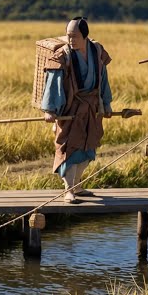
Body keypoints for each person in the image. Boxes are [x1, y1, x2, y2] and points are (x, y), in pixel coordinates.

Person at [41, 17, 113, 203]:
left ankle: (77, 185)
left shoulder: (96, 51)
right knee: (68, 148)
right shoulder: (63, 55)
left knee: (88, 147)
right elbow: (53, 82)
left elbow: (103, 79)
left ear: (85, 36)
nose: (71, 40)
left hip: (91, 108)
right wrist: (50, 109)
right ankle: (68, 189)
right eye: (68, 36)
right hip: (70, 109)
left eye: (75, 36)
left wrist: (106, 103)